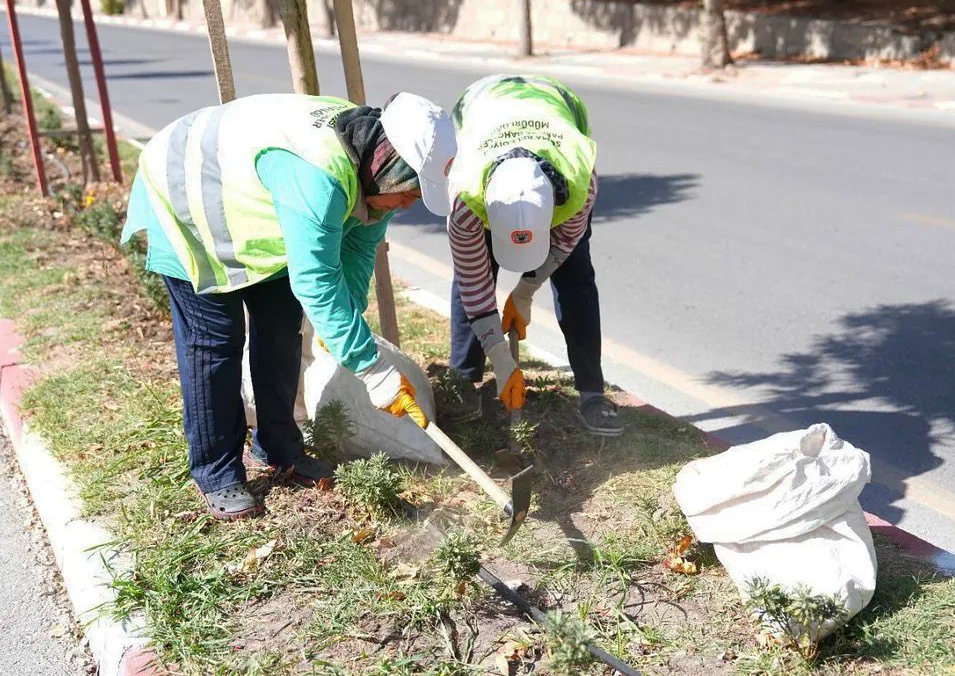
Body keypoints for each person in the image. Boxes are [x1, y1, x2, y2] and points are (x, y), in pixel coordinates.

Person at [121, 92, 456, 520]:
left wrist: (343, 335)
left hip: (252, 214)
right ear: (389, 167)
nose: (410, 204)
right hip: (187, 194)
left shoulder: (374, 169)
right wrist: (370, 367)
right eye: (411, 192)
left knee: (280, 329)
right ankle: (217, 471)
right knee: (215, 341)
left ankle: (279, 446)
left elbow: (353, 259)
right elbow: (315, 280)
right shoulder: (321, 176)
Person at [446, 74, 622, 437]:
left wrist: (525, 292)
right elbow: (473, 279)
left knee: (576, 278)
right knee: (473, 276)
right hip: (481, 102)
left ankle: (591, 393)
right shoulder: (466, 200)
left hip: (554, 103)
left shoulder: (578, 187)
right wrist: (499, 354)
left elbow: (562, 246)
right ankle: (463, 384)